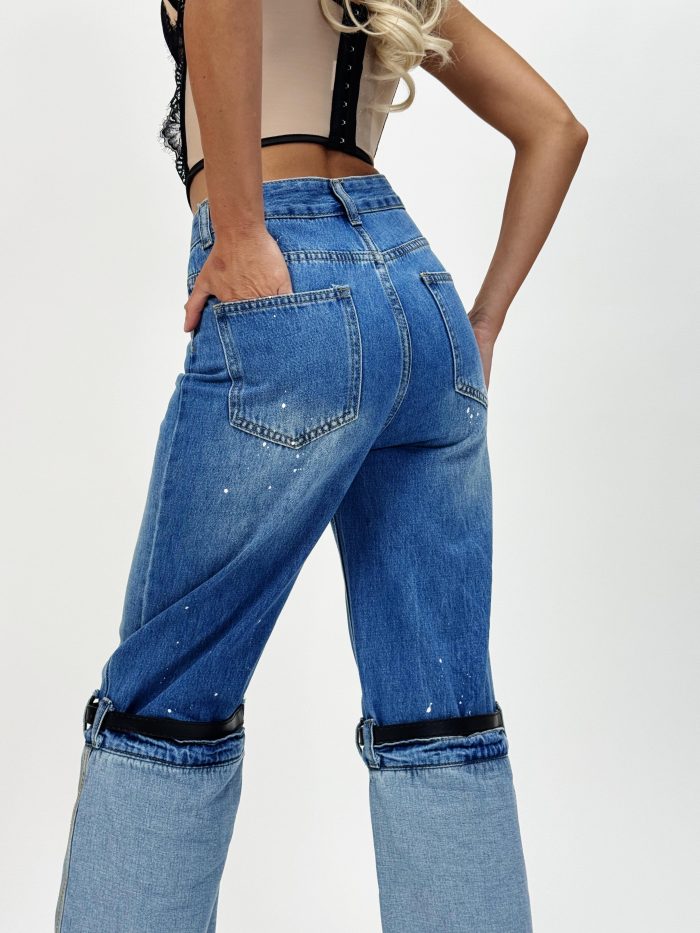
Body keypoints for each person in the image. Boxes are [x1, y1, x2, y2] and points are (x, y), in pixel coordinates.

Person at [55, 1, 587, 930]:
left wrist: (241, 234)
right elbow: (555, 128)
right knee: (441, 712)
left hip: (290, 284)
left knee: (160, 705)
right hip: (421, 299)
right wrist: (483, 324)